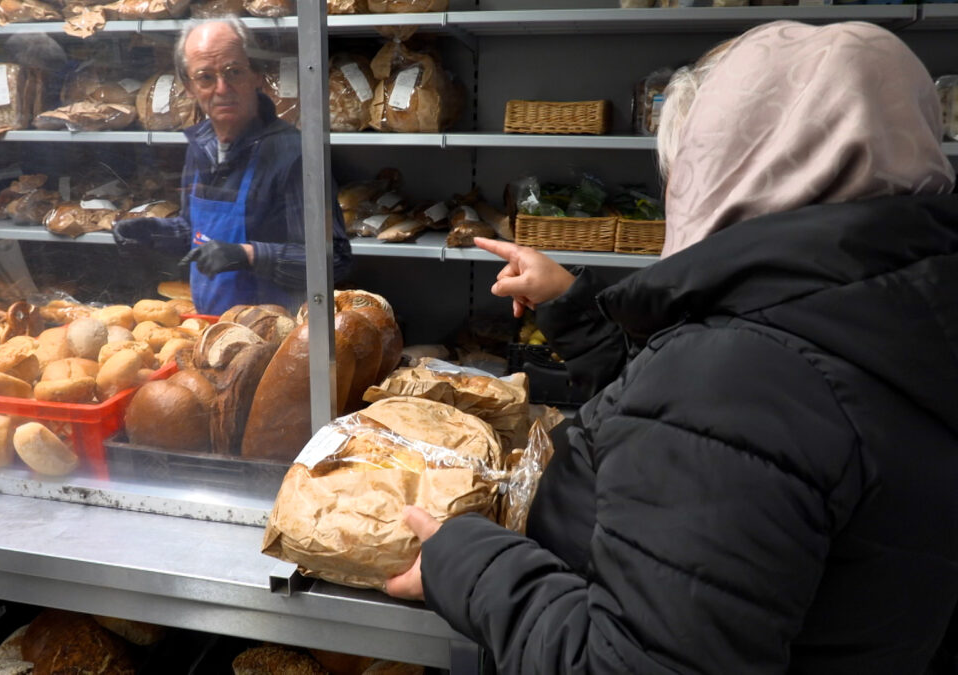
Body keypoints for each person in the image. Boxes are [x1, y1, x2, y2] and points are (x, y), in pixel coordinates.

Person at [385, 20, 958, 674]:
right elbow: (722, 434)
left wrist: (467, 562)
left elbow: (630, 660)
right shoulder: (894, 321)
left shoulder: (737, 376)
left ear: (736, 159)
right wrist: (575, 308)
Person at [113, 17, 352, 315]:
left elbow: (335, 259)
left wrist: (248, 254)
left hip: (276, 337)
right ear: (189, 87)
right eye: (205, 78)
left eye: (233, 72)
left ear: (256, 75)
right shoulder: (202, 145)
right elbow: (198, 233)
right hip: (211, 329)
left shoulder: (293, 154)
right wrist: (152, 232)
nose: (222, 88)